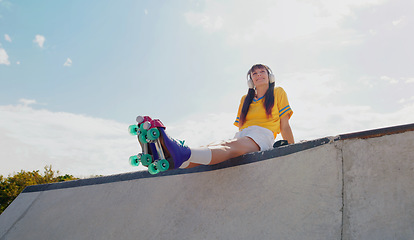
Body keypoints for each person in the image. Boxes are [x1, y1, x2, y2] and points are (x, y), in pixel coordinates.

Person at [156, 64, 294, 169]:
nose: (258, 75)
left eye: (262, 72)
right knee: (215, 145)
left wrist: (293, 151)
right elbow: (241, 127)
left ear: (270, 76)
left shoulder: (278, 92)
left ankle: (182, 152)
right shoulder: (245, 99)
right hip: (244, 135)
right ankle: (169, 161)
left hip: (262, 136)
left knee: (227, 146)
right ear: (251, 81)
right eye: (254, 73)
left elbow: (285, 125)